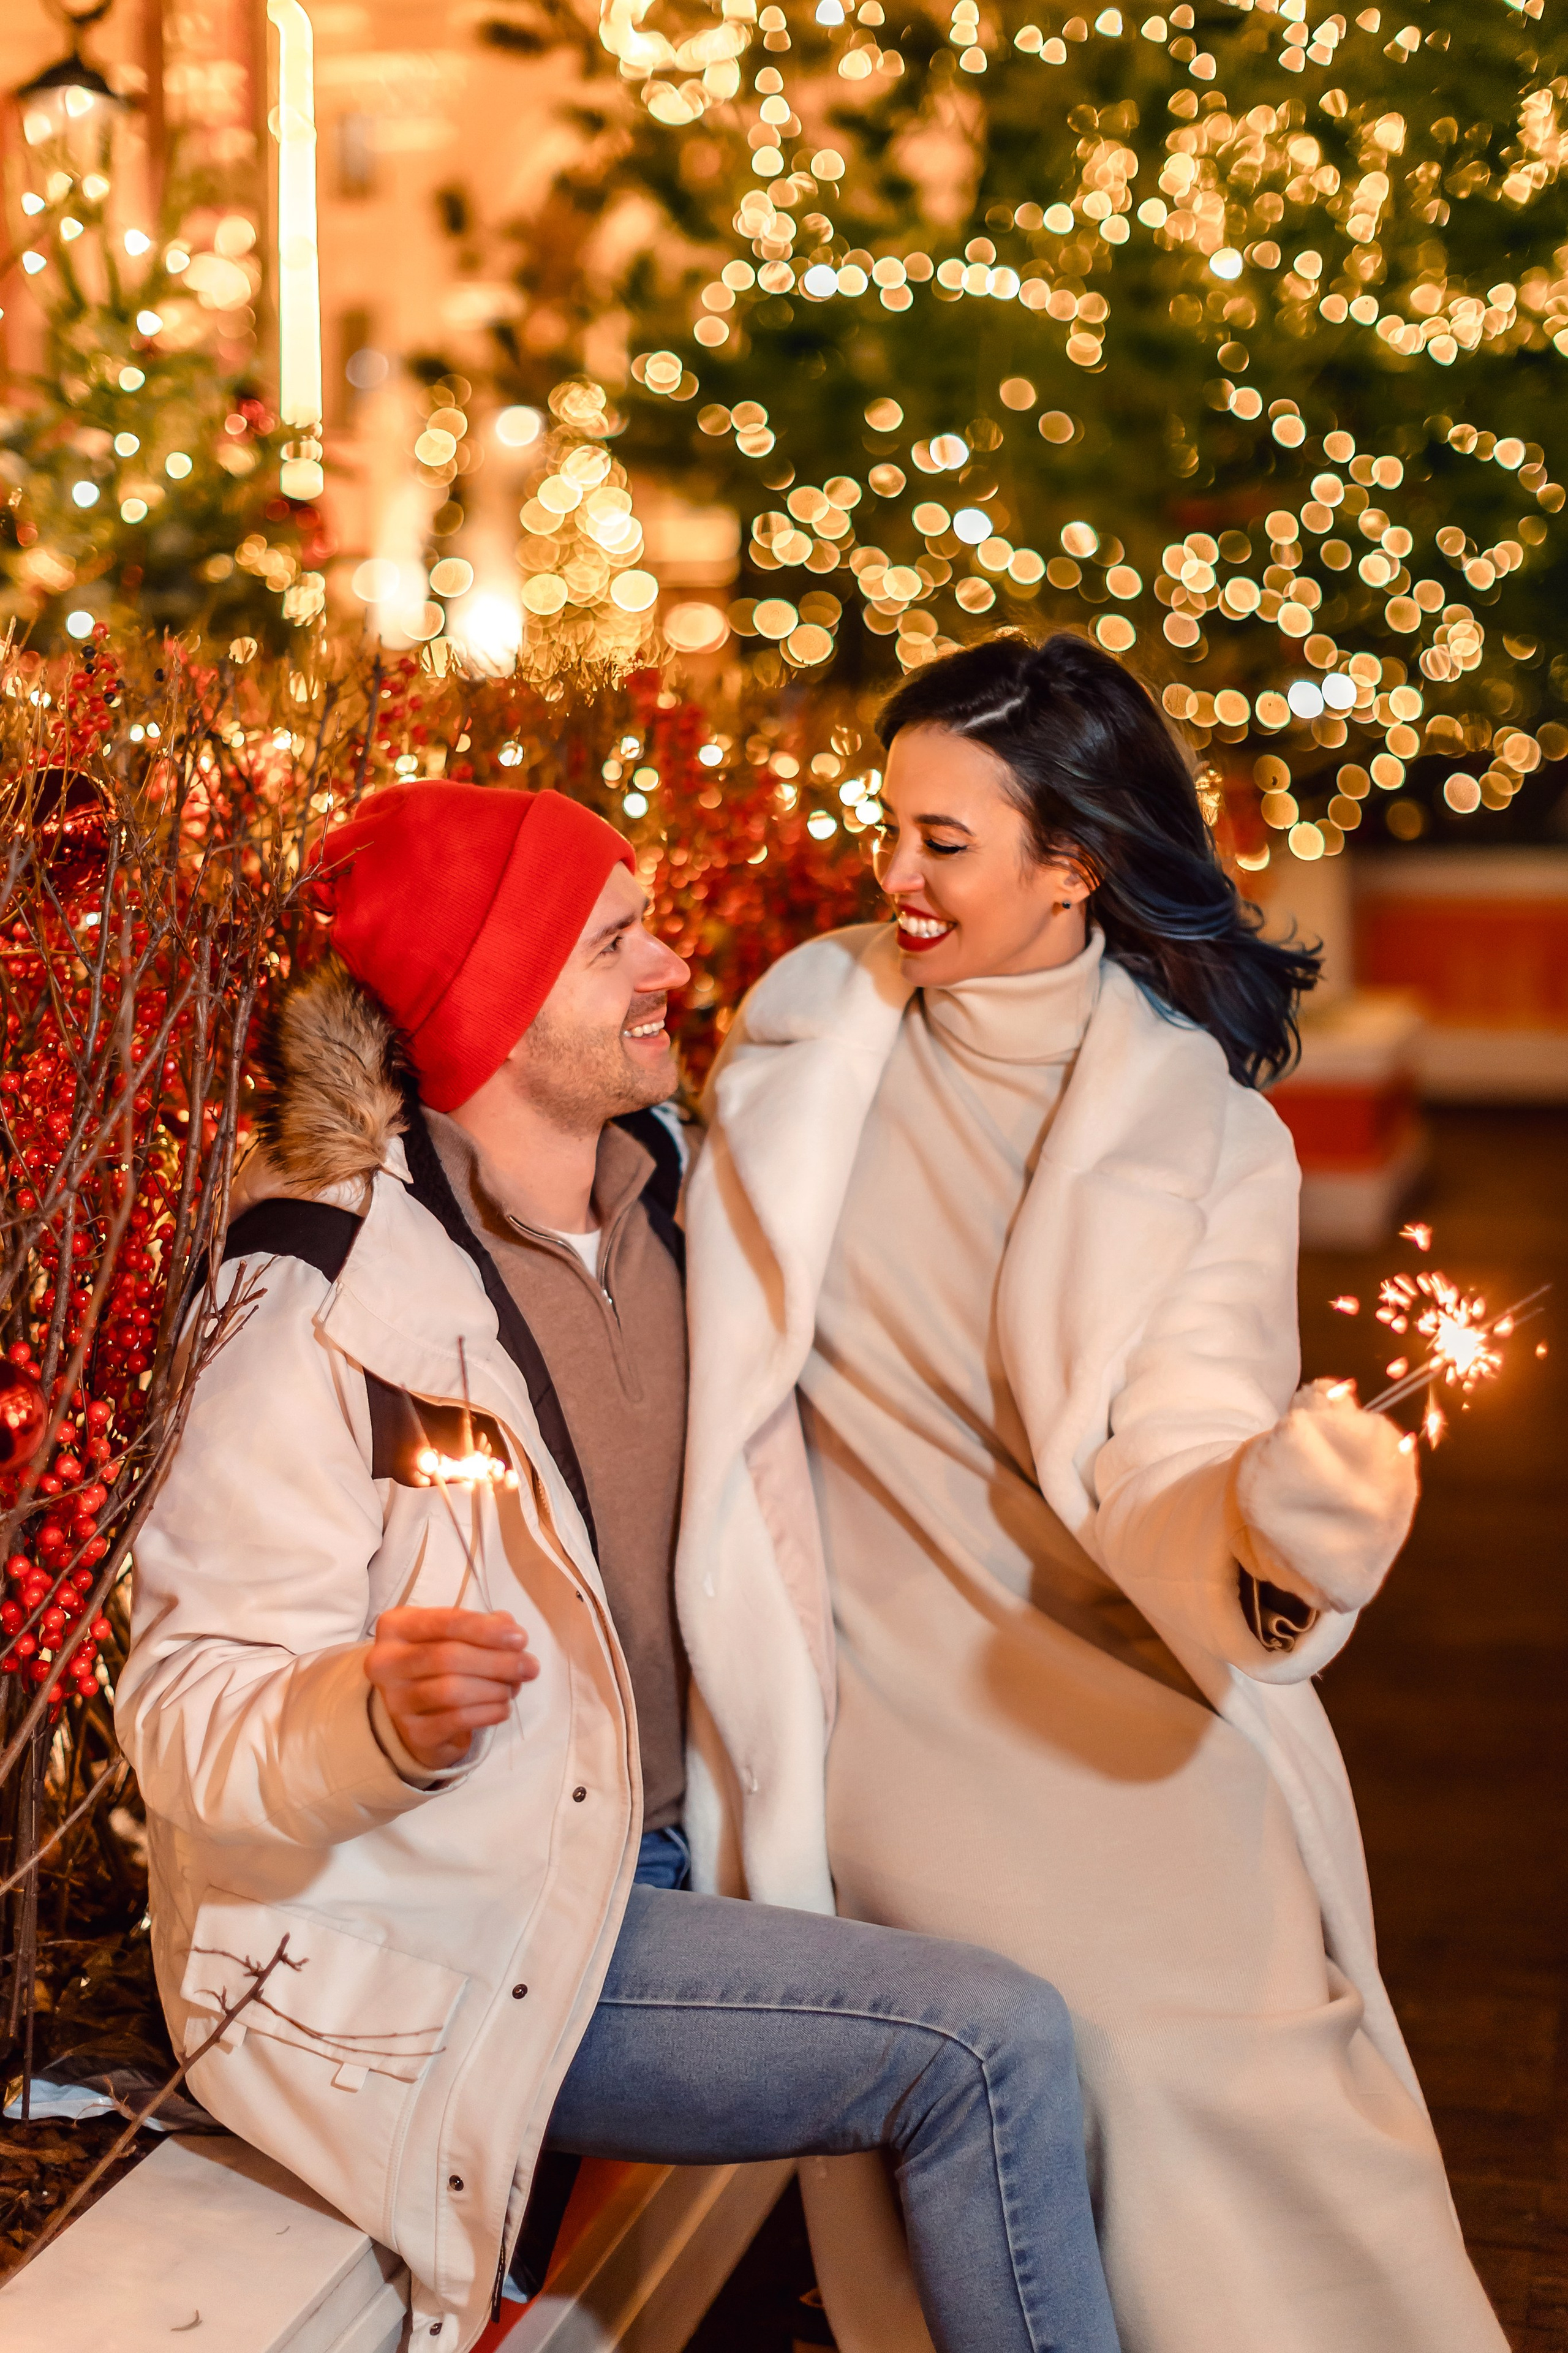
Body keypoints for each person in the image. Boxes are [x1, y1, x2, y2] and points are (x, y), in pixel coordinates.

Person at [117, 780, 1120, 2353]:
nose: (671, 965)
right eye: (614, 943)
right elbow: (184, 1711)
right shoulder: (314, 1288)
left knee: (1086, 1951)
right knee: (987, 2044)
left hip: (676, 1846)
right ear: (494, 1002)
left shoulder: (683, 1198)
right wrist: (369, 1717)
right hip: (468, 1924)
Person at [679, 633, 1508, 2353]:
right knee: (1117, 2056)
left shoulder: (1205, 1135)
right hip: (891, 1696)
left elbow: (1177, 1444)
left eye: (944, 843)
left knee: (1267, 2053)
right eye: (888, 829)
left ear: (1074, 865)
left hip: (1117, 1669)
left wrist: (1280, 1523)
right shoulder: (806, 1029)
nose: (894, 876)